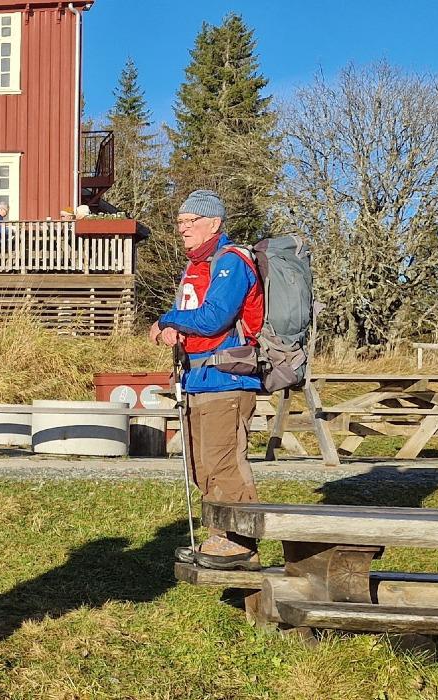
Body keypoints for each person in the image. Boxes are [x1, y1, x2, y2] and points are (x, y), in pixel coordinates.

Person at [154, 189, 265, 571]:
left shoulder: (231, 263)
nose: (182, 229)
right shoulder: (196, 266)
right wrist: (173, 328)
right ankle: (221, 537)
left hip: (227, 379)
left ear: (213, 224)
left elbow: (214, 318)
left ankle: (240, 541)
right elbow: (191, 317)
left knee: (224, 462)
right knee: (201, 465)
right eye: (180, 222)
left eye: (190, 222)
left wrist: (168, 320)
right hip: (197, 378)